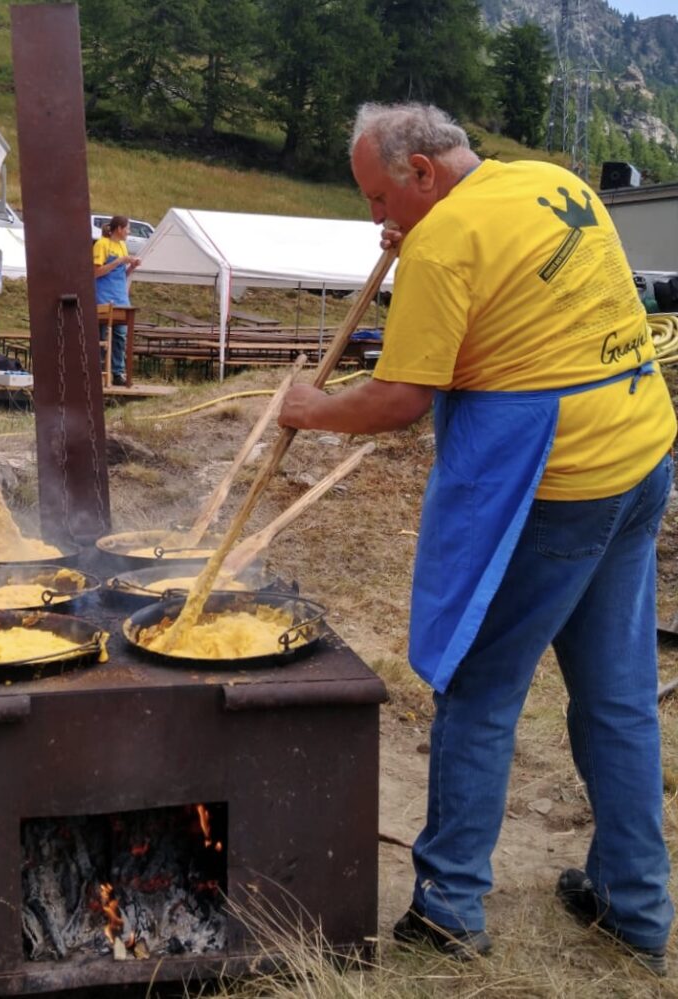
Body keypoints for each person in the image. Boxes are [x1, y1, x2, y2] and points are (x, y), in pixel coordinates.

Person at [278, 102, 676, 974]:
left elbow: (399, 398)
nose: (374, 218)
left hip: (559, 481)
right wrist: (407, 244)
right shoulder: (552, 181)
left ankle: (450, 904)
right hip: (643, 451)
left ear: (422, 172)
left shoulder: (445, 239)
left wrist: (312, 407)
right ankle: (635, 903)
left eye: (378, 197)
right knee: (617, 694)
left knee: (479, 687)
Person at [93, 215, 141, 386]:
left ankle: (118, 372)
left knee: (121, 335)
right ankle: (97, 372)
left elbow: (121, 275)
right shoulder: (101, 244)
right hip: (104, 296)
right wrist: (120, 261)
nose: (129, 232)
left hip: (121, 297)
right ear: (119, 229)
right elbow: (96, 272)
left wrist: (131, 267)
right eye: (127, 228)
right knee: (102, 334)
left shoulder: (122, 246)